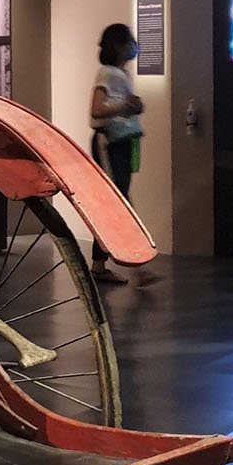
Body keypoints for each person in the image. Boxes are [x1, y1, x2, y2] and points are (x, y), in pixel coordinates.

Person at [89, 22, 144, 284]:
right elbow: (96, 111)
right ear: (118, 46)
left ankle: (102, 264)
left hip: (122, 143)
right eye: (129, 41)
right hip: (110, 143)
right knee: (118, 204)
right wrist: (125, 106)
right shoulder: (107, 74)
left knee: (120, 203)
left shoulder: (118, 74)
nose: (134, 45)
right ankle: (131, 263)